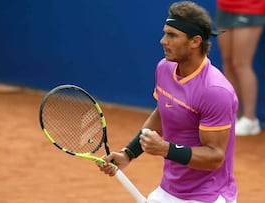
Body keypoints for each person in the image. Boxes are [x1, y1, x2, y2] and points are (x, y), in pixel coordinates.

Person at [97, 1, 238, 203]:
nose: (163, 41)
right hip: (169, 189)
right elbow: (163, 112)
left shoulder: (215, 91)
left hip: (207, 196)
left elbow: (215, 157)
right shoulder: (165, 68)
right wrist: (128, 154)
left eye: (172, 35)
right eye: (165, 33)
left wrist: (165, 149)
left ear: (195, 41)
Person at [215, 0, 265, 136]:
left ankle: (250, 120)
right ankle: (233, 116)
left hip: (251, 7)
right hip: (225, 6)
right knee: (228, 63)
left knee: (241, 64)